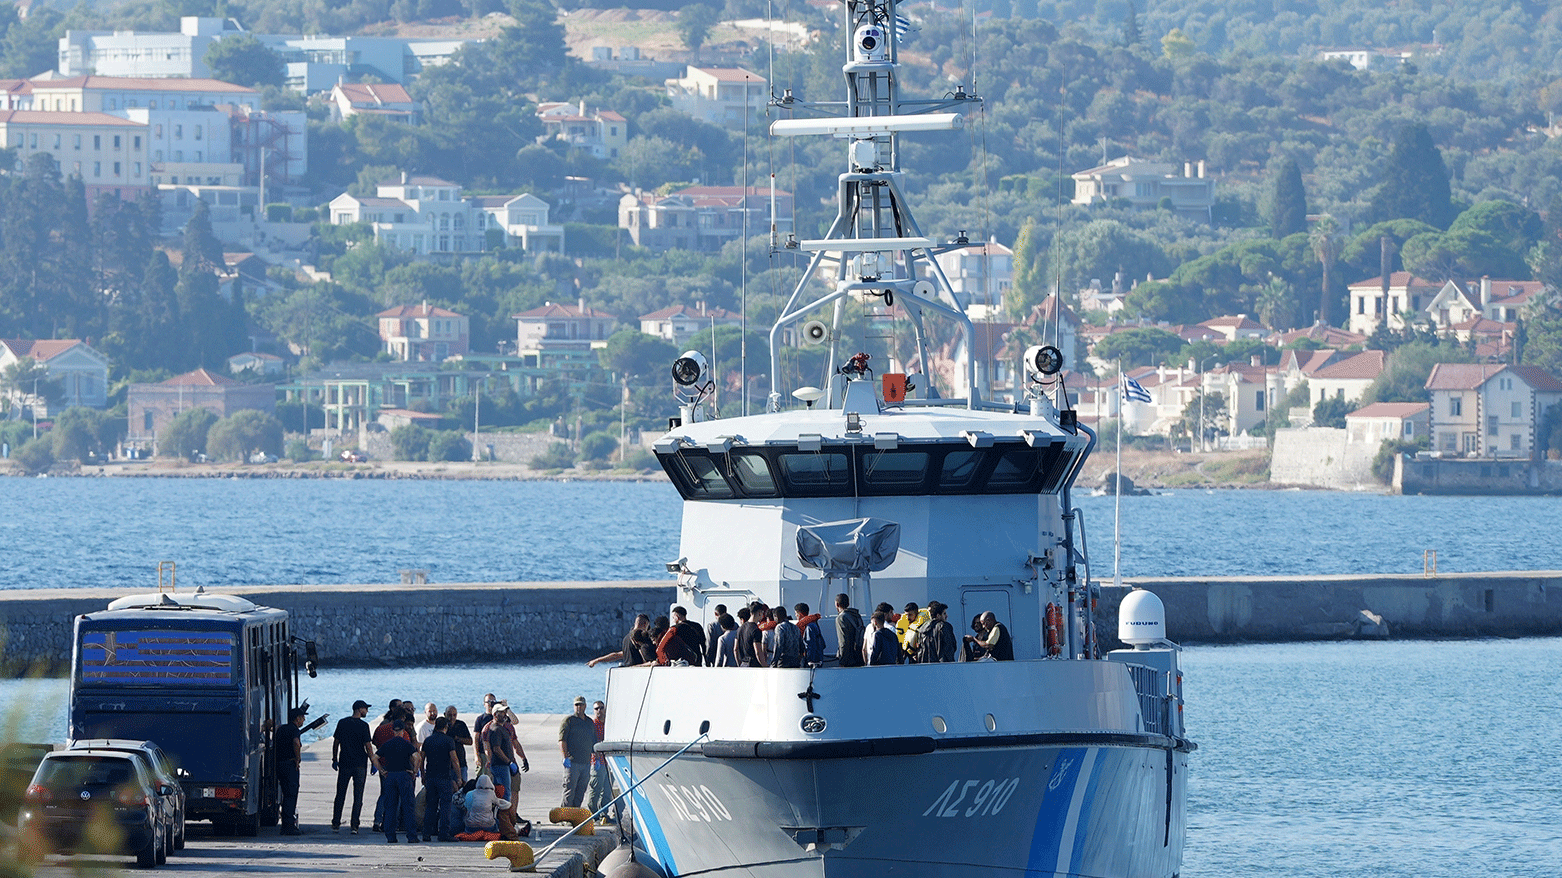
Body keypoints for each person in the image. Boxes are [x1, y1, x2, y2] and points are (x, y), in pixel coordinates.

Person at [374, 720, 421, 843]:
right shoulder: (406, 744)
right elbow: (417, 757)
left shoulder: (387, 744)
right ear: (403, 731)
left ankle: (390, 836)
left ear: (393, 731)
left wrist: (382, 770)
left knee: (390, 806)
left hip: (390, 776)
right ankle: (411, 836)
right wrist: (415, 771)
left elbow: (375, 757)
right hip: (404, 775)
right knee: (408, 806)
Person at [331, 699, 374, 833]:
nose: (367, 711)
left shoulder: (342, 723)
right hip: (360, 764)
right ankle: (354, 825)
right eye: (365, 709)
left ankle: (336, 823)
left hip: (344, 763)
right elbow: (368, 746)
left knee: (340, 794)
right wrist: (373, 762)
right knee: (358, 795)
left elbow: (336, 742)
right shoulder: (364, 726)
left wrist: (334, 758)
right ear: (360, 709)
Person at [421, 716, 460, 842]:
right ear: (446, 727)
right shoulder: (449, 741)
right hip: (444, 777)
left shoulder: (428, 740)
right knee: (445, 806)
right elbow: (454, 759)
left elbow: (421, 758)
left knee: (430, 806)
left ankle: (426, 833)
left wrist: (422, 774)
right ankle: (443, 833)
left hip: (431, 777)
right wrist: (458, 777)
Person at [585, 701, 621, 825]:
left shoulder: (608, 725)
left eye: (601, 708)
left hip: (609, 762)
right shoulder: (592, 725)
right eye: (596, 709)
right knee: (595, 790)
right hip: (597, 761)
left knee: (606, 791)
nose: (599, 711)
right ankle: (593, 814)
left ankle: (603, 814)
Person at [370, 701, 403, 834]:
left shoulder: (381, 728)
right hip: (397, 766)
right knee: (397, 795)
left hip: (383, 764)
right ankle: (391, 822)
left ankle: (377, 820)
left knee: (384, 794)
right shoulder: (401, 732)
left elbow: (374, 741)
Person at [559, 696, 595, 808]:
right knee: (569, 789)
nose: (578, 707)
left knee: (581, 790)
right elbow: (562, 740)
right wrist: (565, 757)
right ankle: (564, 815)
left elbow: (593, 741)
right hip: (572, 762)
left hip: (586, 762)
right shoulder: (569, 721)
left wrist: (596, 758)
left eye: (581, 705)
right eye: (576, 705)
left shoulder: (589, 722)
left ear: (585, 706)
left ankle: (575, 814)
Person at [275, 706, 306, 835]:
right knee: (291, 794)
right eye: (302, 718)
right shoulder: (294, 730)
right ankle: (288, 825)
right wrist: (298, 758)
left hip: (279, 764)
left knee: (285, 793)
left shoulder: (281, 729)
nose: (303, 720)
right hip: (290, 764)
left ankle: (286, 823)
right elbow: (296, 743)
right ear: (297, 719)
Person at [588, 614, 654, 668]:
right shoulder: (641, 637)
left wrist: (597, 660)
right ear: (645, 624)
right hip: (639, 671)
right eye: (648, 627)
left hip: (628, 671)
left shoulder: (626, 638)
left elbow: (617, 655)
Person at [444, 705, 472, 783]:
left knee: (462, 788)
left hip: (461, 763)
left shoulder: (461, 725)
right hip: (446, 765)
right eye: (449, 715)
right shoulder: (442, 725)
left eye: (454, 715)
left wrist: (458, 739)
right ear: (445, 714)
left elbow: (470, 741)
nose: (452, 717)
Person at [835, 594, 865, 667]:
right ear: (848, 604)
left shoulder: (841, 618)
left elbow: (843, 641)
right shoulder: (856, 615)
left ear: (837, 604)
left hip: (849, 660)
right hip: (860, 656)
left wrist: (843, 661)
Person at [473, 694, 498, 766]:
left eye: (493, 701)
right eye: (488, 702)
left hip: (497, 753)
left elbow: (514, 721)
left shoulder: (499, 718)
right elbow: (476, 739)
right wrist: (476, 756)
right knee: (483, 776)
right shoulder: (480, 719)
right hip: (483, 753)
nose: (491, 704)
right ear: (484, 704)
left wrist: (506, 708)